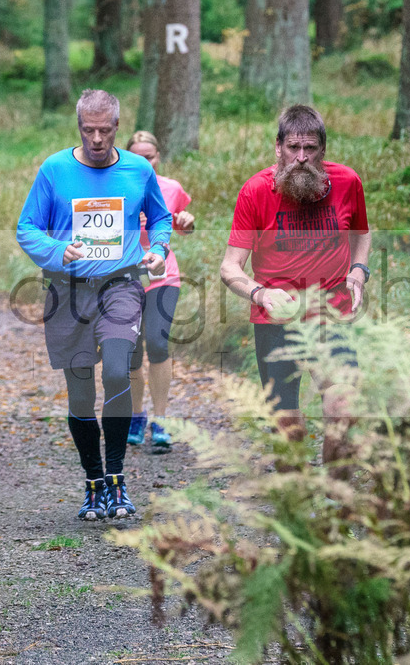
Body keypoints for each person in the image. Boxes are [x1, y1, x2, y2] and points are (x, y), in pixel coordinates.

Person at [17, 89, 172, 521]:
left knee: (120, 370)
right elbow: (27, 227)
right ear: (79, 126)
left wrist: (158, 247)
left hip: (120, 284)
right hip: (67, 290)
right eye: (89, 130)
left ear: (117, 127)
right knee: (81, 393)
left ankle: (118, 478)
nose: (98, 139)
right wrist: (56, 249)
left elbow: (160, 217)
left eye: (105, 130)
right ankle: (94, 481)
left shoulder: (138, 169)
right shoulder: (55, 169)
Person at [219, 104, 371, 477]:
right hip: (276, 321)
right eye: (293, 148)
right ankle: (298, 512)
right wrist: (261, 294)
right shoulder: (256, 191)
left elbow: (362, 233)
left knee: (343, 411)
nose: (301, 158)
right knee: (289, 429)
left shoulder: (348, 183)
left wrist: (358, 270)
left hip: (331, 313)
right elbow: (229, 268)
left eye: (310, 149)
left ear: (323, 149)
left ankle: (336, 502)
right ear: (278, 147)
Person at [124, 131, 196, 455]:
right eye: (138, 156)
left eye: (150, 156)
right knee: (130, 351)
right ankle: (137, 416)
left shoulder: (172, 188)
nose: (145, 162)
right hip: (123, 277)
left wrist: (187, 222)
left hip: (163, 276)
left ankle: (161, 419)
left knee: (157, 342)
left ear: (158, 157)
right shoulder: (116, 186)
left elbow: (178, 225)